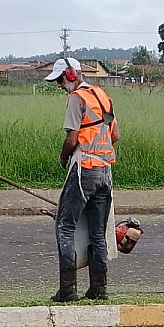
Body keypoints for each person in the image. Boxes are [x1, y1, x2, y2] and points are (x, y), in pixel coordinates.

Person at [44, 57, 120, 302]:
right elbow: (115, 134)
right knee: (98, 233)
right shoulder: (102, 95)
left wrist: (63, 158)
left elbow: (72, 138)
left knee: (65, 226)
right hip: (105, 171)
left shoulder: (76, 98)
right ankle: (99, 289)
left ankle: (68, 290)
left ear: (70, 74)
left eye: (59, 79)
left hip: (83, 169)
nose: (58, 84)